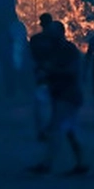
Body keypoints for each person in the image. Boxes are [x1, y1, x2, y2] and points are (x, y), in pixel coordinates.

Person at [29, 21, 88, 176]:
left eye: (52, 32)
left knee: (56, 130)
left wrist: (50, 71)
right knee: (70, 131)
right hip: (62, 95)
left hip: (68, 95)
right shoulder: (55, 49)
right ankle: (81, 163)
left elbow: (71, 72)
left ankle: (46, 164)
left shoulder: (68, 50)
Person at [28, 12, 55, 140]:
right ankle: (50, 130)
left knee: (40, 105)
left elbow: (30, 57)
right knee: (53, 104)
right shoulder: (56, 39)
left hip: (40, 74)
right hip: (54, 74)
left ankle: (42, 130)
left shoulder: (35, 39)